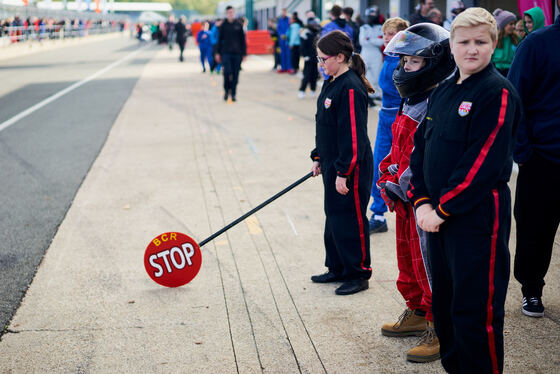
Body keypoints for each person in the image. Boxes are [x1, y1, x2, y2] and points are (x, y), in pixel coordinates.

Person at [408, 8, 522, 373]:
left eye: (480, 42)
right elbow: (421, 148)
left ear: (494, 44)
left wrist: (441, 210)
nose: (471, 49)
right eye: (464, 42)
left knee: (475, 313)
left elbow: (483, 162)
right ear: (451, 47)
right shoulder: (443, 90)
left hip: (475, 222)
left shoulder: (497, 92)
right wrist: (422, 199)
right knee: (446, 308)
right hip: (436, 219)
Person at [378, 22, 455, 364]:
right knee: (407, 262)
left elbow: (422, 159)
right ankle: (417, 310)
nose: (403, 69)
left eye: (411, 63)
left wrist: (398, 181)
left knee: (429, 265)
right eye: (403, 62)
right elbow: (397, 148)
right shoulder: (411, 100)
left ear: (434, 62)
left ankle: (440, 325)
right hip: (403, 199)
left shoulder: (436, 102)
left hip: (421, 201)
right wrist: (386, 173)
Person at [310, 30, 375, 296]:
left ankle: (358, 273)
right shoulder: (332, 80)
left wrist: (343, 172)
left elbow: (353, 134)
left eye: (324, 59)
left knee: (351, 218)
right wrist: (318, 157)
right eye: (318, 59)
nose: (321, 64)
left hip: (350, 167)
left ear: (340, 56)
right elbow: (325, 125)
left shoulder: (350, 87)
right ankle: (336, 266)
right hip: (333, 163)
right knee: (334, 217)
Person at [508, 0, 560, 318]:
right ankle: (531, 290)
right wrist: (524, 153)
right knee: (534, 231)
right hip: (542, 159)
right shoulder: (537, 43)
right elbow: (515, 98)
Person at [368, 17, 409, 234]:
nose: (387, 38)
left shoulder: (408, 60)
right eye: (385, 34)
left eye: (392, 34)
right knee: (379, 164)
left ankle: (412, 210)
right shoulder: (388, 56)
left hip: (403, 119)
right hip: (386, 117)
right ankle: (377, 213)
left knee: (405, 167)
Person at [216, 6, 246, 102]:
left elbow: (243, 40)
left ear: (234, 13)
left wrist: (244, 53)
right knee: (227, 73)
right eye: (229, 12)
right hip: (226, 53)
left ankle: (233, 93)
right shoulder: (223, 25)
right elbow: (219, 40)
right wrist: (217, 53)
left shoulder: (238, 24)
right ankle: (226, 90)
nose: (230, 14)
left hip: (237, 54)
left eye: (232, 12)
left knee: (235, 74)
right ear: (226, 13)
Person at [359, 6, 384, 104]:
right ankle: (366, 94)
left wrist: (369, 39)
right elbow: (362, 41)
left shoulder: (380, 28)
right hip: (365, 53)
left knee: (377, 75)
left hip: (376, 54)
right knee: (364, 75)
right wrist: (374, 40)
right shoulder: (363, 27)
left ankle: (376, 94)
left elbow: (381, 42)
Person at [298, 17, 321, 98]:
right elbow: (302, 46)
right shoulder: (305, 33)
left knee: (314, 75)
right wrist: (305, 55)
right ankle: (302, 90)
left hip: (315, 57)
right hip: (308, 58)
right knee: (306, 75)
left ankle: (313, 90)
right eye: (313, 24)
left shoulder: (317, 33)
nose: (315, 26)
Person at [491, 9, 518, 76]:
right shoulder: (494, 38)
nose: (514, 26)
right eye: (511, 24)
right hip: (496, 69)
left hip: (511, 69)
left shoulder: (516, 38)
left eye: (514, 24)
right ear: (503, 25)